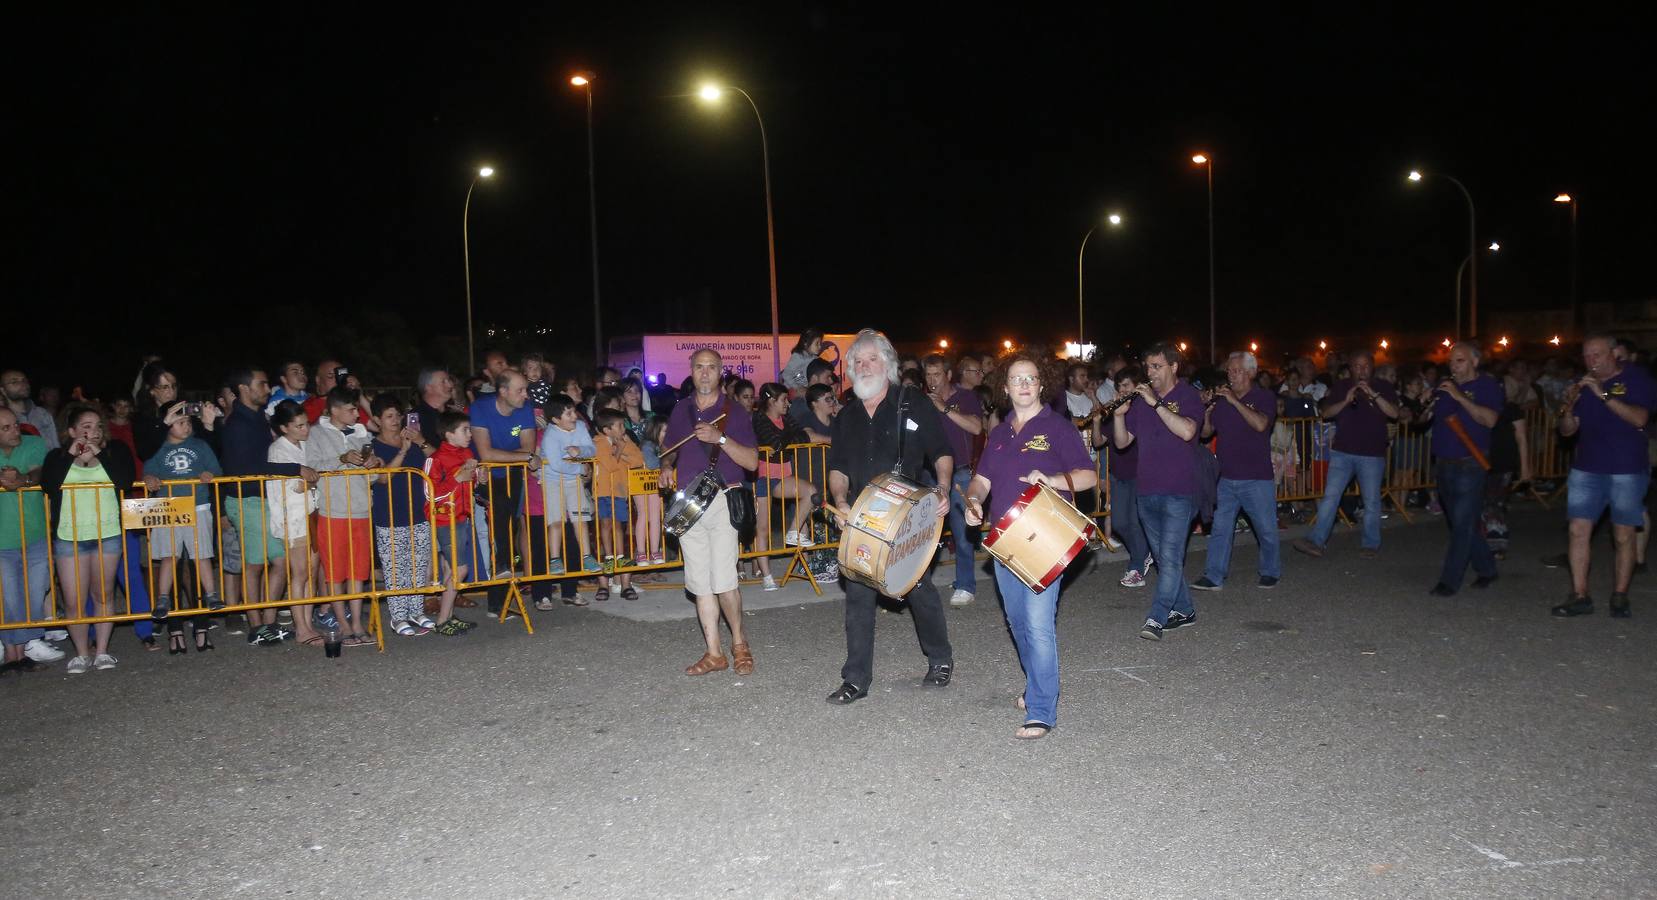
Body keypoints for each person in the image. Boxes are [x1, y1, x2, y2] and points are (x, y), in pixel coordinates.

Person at [962, 356, 1096, 739]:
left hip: (1044, 536)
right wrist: (972, 502)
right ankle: (1036, 683)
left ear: (1041, 385)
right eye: (1016, 379)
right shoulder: (1000, 433)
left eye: (1030, 379)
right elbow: (982, 480)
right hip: (1006, 541)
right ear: (1005, 388)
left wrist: (1051, 479)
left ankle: (1041, 709)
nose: (1023, 384)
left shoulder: (1057, 427)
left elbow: (1087, 476)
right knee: (1018, 623)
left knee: (1038, 625)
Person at [824, 329, 955, 704]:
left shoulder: (912, 403)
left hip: (906, 516)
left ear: (889, 365)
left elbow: (942, 451)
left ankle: (940, 657)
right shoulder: (846, 415)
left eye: (872, 359)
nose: (864, 367)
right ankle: (855, 679)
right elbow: (838, 468)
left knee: (917, 587)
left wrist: (942, 489)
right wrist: (839, 501)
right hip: (864, 518)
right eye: (858, 362)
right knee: (858, 592)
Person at [663, 348, 760, 677]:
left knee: (724, 581)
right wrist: (665, 467)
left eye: (711, 368)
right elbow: (669, 452)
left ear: (721, 372)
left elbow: (751, 462)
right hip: (689, 505)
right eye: (699, 367)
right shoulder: (680, 410)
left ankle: (740, 644)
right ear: (691, 371)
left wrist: (720, 438)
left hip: (722, 500)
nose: (705, 373)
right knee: (700, 584)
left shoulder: (735, 412)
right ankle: (714, 653)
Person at [1552, 335, 1654, 618]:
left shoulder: (1636, 378)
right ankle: (1580, 595)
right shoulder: (1583, 385)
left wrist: (1604, 394)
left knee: (1622, 535)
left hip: (1627, 468)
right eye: (1586, 356)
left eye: (1597, 354)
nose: (1591, 361)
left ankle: (1620, 595)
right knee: (1577, 530)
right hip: (1587, 468)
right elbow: (1567, 431)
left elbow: (1639, 419)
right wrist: (1569, 410)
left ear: (1614, 354)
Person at [1112, 342, 1202, 641]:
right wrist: (1120, 414)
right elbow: (1123, 443)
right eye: (1148, 367)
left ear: (1174, 367)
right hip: (1147, 489)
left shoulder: (1187, 395)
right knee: (1164, 558)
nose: (1150, 372)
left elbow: (1188, 431)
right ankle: (1185, 609)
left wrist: (1156, 404)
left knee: (1172, 557)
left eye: (1157, 366)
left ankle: (1156, 616)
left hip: (1179, 490)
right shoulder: (1140, 401)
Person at [41, 405, 139, 673]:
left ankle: (103, 651)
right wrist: (72, 455)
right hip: (69, 536)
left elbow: (125, 480)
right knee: (74, 600)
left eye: (97, 426)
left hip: (107, 533)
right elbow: (49, 484)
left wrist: (96, 453)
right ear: (71, 431)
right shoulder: (56, 456)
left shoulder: (114, 451)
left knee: (104, 594)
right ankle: (82, 653)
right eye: (85, 426)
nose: (92, 431)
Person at [221, 369, 312, 645]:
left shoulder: (257, 418)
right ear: (244, 388)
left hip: (263, 499)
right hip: (246, 498)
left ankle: (268, 622)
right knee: (254, 565)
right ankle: (256, 625)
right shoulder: (237, 423)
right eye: (261, 383)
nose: (267, 387)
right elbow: (248, 468)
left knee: (279, 562)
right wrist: (295, 468)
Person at [1293, 350, 1400, 560]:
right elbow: (1326, 413)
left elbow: (1394, 413)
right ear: (1350, 368)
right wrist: (1346, 400)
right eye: (1357, 366)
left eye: (1366, 365)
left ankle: (1370, 543)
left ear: (1372, 366)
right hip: (1342, 452)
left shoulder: (1383, 387)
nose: (1361, 370)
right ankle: (1316, 541)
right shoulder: (1342, 387)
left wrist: (1373, 395)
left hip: (1372, 453)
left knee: (1370, 501)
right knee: (1330, 497)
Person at [1191, 351, 1281, 591]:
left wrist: (1234, 401)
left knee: (1266, 530)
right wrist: (1207, 415)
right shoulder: (1222, 400)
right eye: (1229, 371)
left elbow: (1261, 424)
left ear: (1251, 372)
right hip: (1226, 476)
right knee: (1220, 529)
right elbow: (1206, 433)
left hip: (1256, 477)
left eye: (1237, 370)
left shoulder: (1264, 397)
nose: (1231, 375)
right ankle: (1214, 575)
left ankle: (1270, 570)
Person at [1425, 342, 1502, 597]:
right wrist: (1423, 405)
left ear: (1475, 362)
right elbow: (1423, 419)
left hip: (1471, 462)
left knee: (1462, 524)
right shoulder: (1445, 387)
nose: (1453, 366)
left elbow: (1489, 420)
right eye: (1451, 361)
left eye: (1460, 361)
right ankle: (1488, 568)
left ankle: (1450, 580)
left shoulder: (1487, 386)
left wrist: (1459, 397)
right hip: (1444, 462)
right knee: (1461, 521)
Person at [141, 406, 224, 637]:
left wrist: (209, 475)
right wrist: (150, 479)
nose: (186, 426)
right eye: (180, 422)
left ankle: (211, 594)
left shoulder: (200, 445)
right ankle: (163, 598)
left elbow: (215, 469)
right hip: (170, 506)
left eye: (188, 422)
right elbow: (148, 471)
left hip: (197, 505)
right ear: (168, 424)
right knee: (169, 555)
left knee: (202, 553)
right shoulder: (158, 447)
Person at [306, 387, 380, 646]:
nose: (357, 415)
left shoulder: (362, 435)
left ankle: (358, 623)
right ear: (334, 409)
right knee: (336, 574)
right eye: (351, 410)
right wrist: (341, 458)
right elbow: (312, 466)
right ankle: (344, 625)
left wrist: (374, 465)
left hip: (360, 510)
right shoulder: (316, 433)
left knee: (358, 573)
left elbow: (372, 478)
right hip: (333, 512)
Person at [469, 370, 541, 619]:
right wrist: (524, 457)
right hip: (485, 475)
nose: (526, 394)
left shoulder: (525, 408)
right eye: (520, 390)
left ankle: (497, 601)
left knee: (508, 528)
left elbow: (529, 447)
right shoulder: (480, 407)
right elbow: (486, 454)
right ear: (503, 392)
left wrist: (524, 456)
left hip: (511, 475)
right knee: (499, 512)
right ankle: (500, 570)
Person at [368, 395, 439, 636]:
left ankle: (416, 611)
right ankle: (397, 616)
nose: (395, 421)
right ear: (377, 419)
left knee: (419, 564)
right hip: (389, 513)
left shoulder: (412, 439)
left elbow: (438, 460)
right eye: (389, 416)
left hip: (418, 510)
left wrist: (420, 441)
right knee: (396, 568)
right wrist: (403, 452)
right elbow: (382, 477)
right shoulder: (373, 447)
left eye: (398, 415)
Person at [0, 407, 64, 668]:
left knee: (36, 592)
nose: (15, 430)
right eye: (6, 428)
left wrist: (23, 479)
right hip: (3, 540)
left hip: (35, 533)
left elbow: (40, 471)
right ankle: (14, 653)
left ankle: (26, 645)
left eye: (15, 424)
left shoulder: (34, 442)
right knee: (9, 596)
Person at [922, 354, 985, 607]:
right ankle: (919, 584)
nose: (931, 380)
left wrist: (944, 408)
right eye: (927, 374)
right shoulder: (923, 400)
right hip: (930, 473)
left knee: (961, 531)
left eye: (936, 374)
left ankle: (966, 584)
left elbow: (977, 428)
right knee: (926, 533)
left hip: (959, 471)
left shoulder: (965, 397)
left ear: (948, 375)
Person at [751, 383, 820, 591]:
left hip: (784, 474)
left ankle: (793, 532)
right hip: (763, 477)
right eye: (784, 400)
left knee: (811, 492)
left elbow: (803, 436)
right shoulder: (759, 418)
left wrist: (784, 440)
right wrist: (786, 440)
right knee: (762, 528)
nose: (788, 404)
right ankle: (767, 575)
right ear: (771, 400)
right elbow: (774, 442)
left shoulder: (786, 418)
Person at [265, 400, 321, 647]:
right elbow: (294, 486)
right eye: (298, 426)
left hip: (310, 514)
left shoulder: (304, 445)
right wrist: (313, 479)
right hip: (294, 518)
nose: (304, 429)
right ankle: (301, 627)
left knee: (310, 572)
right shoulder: (278, 450)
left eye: (306, 424)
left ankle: (308, 623)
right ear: (284, 427)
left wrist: (312, 478)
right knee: (300, 573)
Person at [1093, 367, 1152, 587]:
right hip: (1119, 474)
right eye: (1118, 387)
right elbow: (1099, 442)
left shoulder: (1143, 408)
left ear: (1137, 386)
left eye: (1126, 385)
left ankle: (1136, 566)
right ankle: (1144, 553)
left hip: (1140, 473)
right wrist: (1098, 420)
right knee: (1119, 523)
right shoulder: (1117, 409)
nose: (1121, 390)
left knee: (1135, 523)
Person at [423, 411, 480, 635]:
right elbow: (430, 494)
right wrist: (458, 478)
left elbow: (468, 484)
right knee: (460, 570)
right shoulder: (436, 458)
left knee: (451, 569)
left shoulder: (466, 453)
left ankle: (445, 617)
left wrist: (477, 479)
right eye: (464, 430)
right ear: (449, 434)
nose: (470, 434)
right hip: (445, 518)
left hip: (462, 516)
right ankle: (441, 620)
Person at [538, 395, 598, 579]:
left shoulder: (579, 426)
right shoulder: (550, 435)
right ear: (556, 420)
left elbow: (591, 449)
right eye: (569, 413)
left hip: (573, 481)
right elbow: (556, 464)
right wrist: (580, 467)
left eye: (573, 411)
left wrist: (580, 451)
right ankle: (555, 559)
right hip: (552, 480)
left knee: (581, 518)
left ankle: (587, 556)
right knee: (555, 520)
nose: (574, 416)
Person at [591, 409, 643, 602]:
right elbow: (611, 466)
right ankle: (609, 557)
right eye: (620, 426)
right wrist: (619, 450)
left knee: (619, 525)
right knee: (605, 523)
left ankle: (620, 555)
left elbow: (638, 460)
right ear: (607, 430)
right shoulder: (599, 442)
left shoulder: (625, 440)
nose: (624, 429)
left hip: (620, 491)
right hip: (604, 490)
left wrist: (620, 453)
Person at [2, 370, 58, 449]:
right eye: (14, 382)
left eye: (24, 380)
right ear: (3, 390)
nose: (22, 384)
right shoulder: (2, 419)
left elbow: (55, 446)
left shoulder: (42, 413)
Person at [411, 367, 458, 452]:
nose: (450, 385)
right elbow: (416, 452)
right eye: (443, 382)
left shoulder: (454, 413)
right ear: (428, 387)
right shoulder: (415, 418)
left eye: (449, 381)